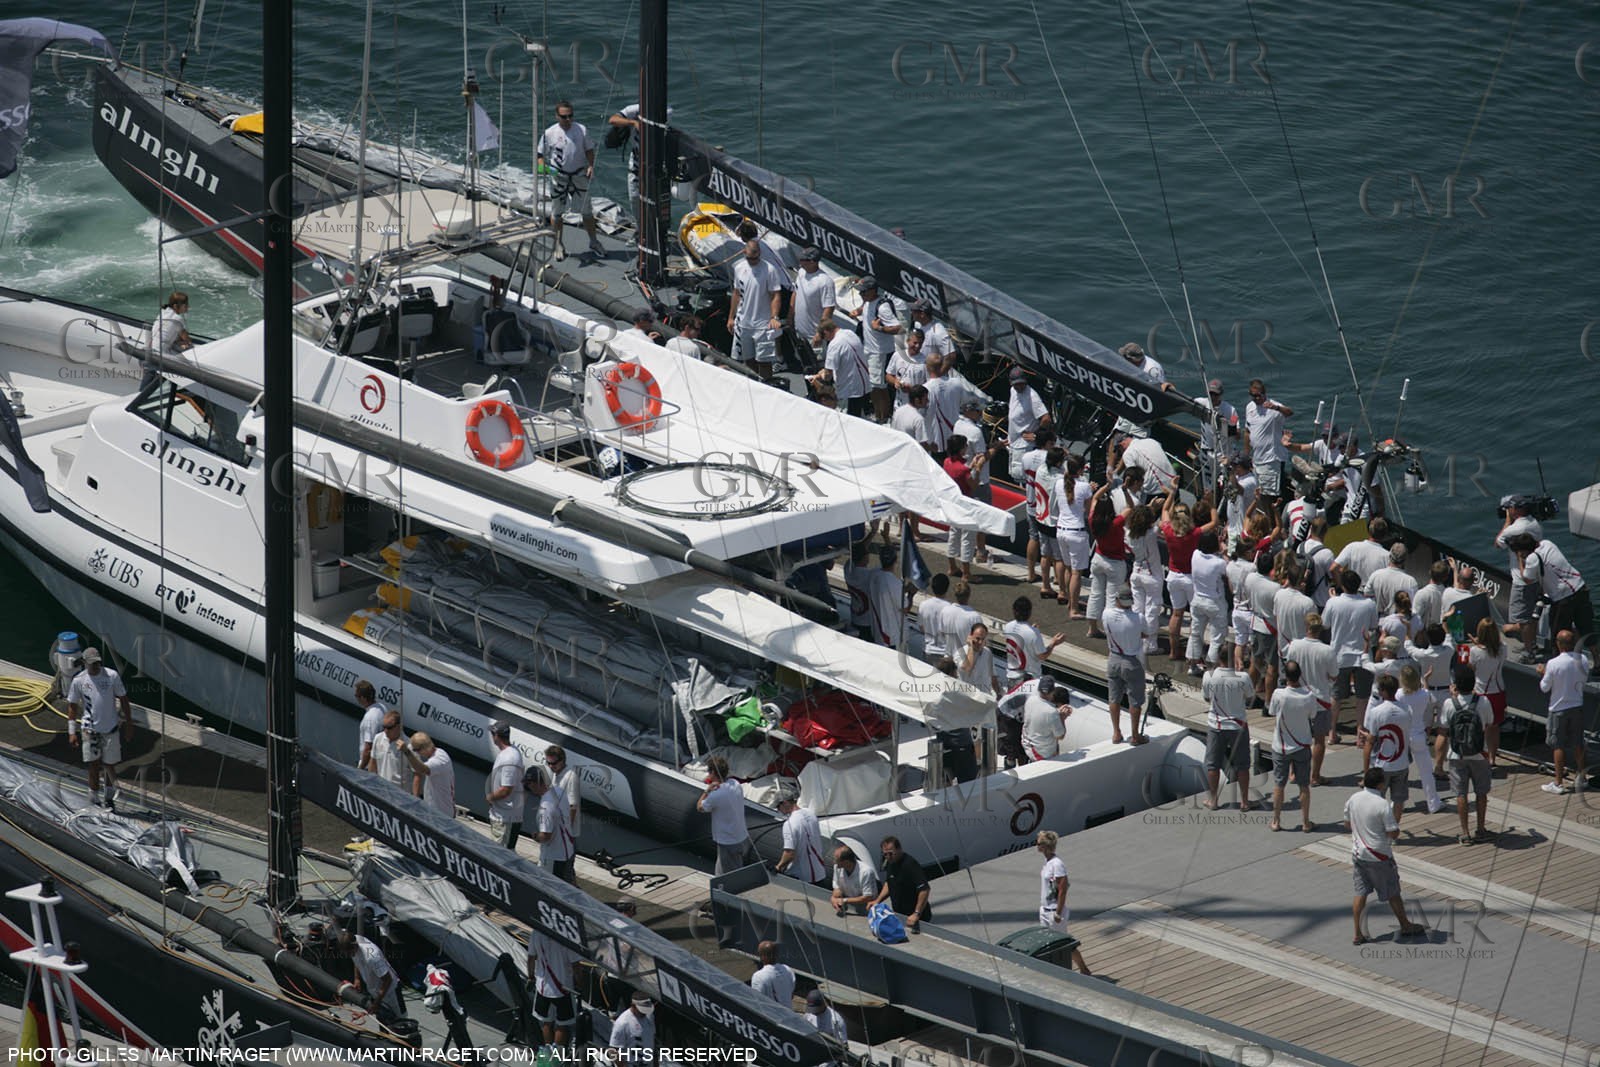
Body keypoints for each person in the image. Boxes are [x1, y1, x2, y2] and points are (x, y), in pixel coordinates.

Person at [1343, 767, 1427, 945]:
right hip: (1379, 856)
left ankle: (1357, 934)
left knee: (1360, 893)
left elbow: (1346, 823)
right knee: (1393, 892)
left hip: (1358, 855)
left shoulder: (1353, 798)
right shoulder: (1382, 804)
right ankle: (1405, 925)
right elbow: (1393, 833)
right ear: (1381, 784)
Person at [65, 648, 131, 810]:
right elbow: (72, 707)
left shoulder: (112, 676)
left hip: (111, 729)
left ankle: (109, 798)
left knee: (110, 764)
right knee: (93, 765)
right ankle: (93, 798)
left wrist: (129, 724)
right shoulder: (79, 681)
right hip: (90, 729)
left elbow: (123, 699)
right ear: (85, 663)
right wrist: (72, 732)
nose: (96, 666)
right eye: (92, 663)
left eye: (98, 662)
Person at [536, 102, 601, 260]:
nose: (568, 119)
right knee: (557, 213)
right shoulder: (549, 133)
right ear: (557, 116)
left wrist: (591, 166)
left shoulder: (581, 130)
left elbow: (589, 150)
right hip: (559, 177)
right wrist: (544, 168)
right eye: (564, 116)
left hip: (579, 175)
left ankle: (593, 241)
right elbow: (540, 156)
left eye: (570, 116)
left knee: (587, 211)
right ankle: (558, 243)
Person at [1324, 570, 1378, 742]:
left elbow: (1325, 624)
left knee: (1336, 696)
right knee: (1363, 697)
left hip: (1339, 655)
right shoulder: (1369, 604)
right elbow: (1373, 625)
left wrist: (1332, 599)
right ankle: (1360, 732)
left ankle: (1332, 732)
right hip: (1362, 654)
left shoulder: (1334, 603)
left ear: (1343, 585)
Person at [1442, 665, 1494, 845]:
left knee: (1461, 794)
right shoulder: (1484, 702)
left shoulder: (1449, 703)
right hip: (1480, 754)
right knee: (1481, 793)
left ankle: (1465, 832)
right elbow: (1489, 724)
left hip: (1457, 755)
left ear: (1456, 684)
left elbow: (1445, 726)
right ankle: (1481, 828)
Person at [1285, 614, 1338, 785]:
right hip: (1320, 700)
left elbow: (1290, 668)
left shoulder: (1294, 645)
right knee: (1319, 740)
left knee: (1298, 737)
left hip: (1298, 697)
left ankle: (1293, 774)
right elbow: (1334, 675)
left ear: (1306, 627)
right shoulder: (1327, 650)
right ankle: (1314, 776)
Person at [1538, 629, 1593, 794]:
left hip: (1558, 708)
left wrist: (1543, 673)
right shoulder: (1583, 659)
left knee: (1558, 745)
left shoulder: (1553, 663)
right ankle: (1582, 778)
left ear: (1559, 643)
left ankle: (1558, 783)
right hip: (1576, 705)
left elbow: (1544, 687)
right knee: (1578, 743)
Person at [1201, 646, 1254, 811]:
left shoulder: (1209, 676)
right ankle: (1245, 802)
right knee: (1243, 765)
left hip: (1216, 725)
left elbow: (1206, 697)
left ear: (1219, 659)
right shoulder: (1243, 677)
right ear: (1234, 659)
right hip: (1238, 726)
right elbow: (1250, 696)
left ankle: (1213, 800)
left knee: (1213, 765)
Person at [1269, 660, 1319, 832]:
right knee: (1304, 786)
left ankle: (1276, 821)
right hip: (1302, 746)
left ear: (1285, 676)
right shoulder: (1309, 696)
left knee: (1279, 785)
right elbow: (1312, 715)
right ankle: (1306, 822)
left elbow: (1271, 711)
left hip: (1281, 747)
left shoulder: (1278, 694)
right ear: (1300, 675)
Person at [1519, 536, 1594, 650]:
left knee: (1558, 634)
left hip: (1563, 599)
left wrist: (1520, 559)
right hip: (1580, 588)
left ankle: (1561, 660)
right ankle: (1597, 661)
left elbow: (1527, 579)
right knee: (1586, 629)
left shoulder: (1532, 558)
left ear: (1524, 550)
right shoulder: (1548, 543)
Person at [1034, 831, 1092, 975]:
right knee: (1046, 943)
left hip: (1054, 912)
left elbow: (1062, 889)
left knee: (1063, 943)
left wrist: (1058, 913)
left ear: (1046, 846)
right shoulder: (1047, 863)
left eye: (1039, 843)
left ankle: (1083, 969)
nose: (1037, 845)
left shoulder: (1057, 864)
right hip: (1045, 910)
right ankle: (1054, 970)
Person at [1359, 674, 1412, 826]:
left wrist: (1365, 771)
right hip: (1402, 763)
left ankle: (1378, 829)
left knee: (1376, 801)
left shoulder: (1376, 713)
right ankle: (1393, 830)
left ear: (1382, 691)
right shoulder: (1407, 709)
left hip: (1381, 765)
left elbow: (1369, 743)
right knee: (1399, 800)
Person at [726, 243, 784, 381]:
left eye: (755, 258)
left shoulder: (769, 270)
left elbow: (776, 295)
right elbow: (736, 293)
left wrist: (774, 317)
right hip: (743, 323)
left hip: (762, 325)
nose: (753, 261)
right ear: (744, 253)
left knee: (764, 361)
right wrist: (731, 317)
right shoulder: (739, 268)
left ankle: (766, 386)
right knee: (748, 360)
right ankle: (753, 384)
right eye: (749, 258)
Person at [1495, 498, 1545, 655]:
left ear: (1515, 510)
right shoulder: (1534, 523)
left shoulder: (1513, 529)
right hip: (1537, 576)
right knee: (1532, 615)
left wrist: (1508, 521)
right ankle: (1533, 644)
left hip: (1522, 581)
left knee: (1523, 620)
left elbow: (1498, 543)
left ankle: (1529, 651)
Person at [1103, 585, 1150, 745]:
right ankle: (1135, 736)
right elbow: (1145, 633)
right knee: (1135, 700)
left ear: (1117, 599)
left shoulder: (1106, 614)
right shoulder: (1139, 618)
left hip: (1113, 659)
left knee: (1114, 698)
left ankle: (1116, 733)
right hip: (1132, 661)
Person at [1084, 483, 1130, 638]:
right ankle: (1111, 631)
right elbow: (1130, 507)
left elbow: (1095, 497)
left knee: (1095, 594)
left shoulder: (1092, 520)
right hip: (1115, 563)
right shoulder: (1116, 523)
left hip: (1098, 559)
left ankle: (1092, 628)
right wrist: (1124, 491)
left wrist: (1107, 485)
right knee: (1111, 598)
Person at [1396, 663, 1442, 814]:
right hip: (1419, 735)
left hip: (1403, 736)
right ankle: (1433, 803)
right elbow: (1430, 696)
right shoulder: (1424, 694)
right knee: (1426, 772)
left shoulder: (1399, 695)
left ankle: (1398, 803)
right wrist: (1425, 680)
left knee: (1400, 772)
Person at [857, 276, 903, 422]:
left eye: (863, 292)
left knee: (879, 387)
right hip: (869, 350)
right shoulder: (868, 302)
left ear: (872, 291)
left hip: (879, 353)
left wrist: (880, 328)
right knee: (873, 386)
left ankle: (883, 417)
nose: (861, 295)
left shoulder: (882, 307)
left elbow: (898, 328)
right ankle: (878, 414)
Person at [1052, 455, 1094, 615]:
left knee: (1070, 569)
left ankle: (1072, 601)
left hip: (1061, 530)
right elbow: (1088, 509)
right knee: (1077, 572)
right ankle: (1074, 608)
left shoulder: (1058, 484)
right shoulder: (1084, 487)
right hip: (1076, 532)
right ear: (1081, 469)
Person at [699, 756, 755, 874]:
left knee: (726, 876)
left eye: (709, 771)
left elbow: (699, 807)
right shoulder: (736, 784)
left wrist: (707, 791)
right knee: (728, 870)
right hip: (742, 837)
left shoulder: (716, 795)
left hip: (728, 841)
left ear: (713, 772)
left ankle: (725, 892)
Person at [1186, 528, 1231, 676]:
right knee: (1216, 637)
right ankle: (1211, 669)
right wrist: (1224, 551)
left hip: (1198, 600)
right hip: (1215, 603)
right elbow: (1230, 569)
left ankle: (1192, 666)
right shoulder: (1219, 563)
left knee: (1196, 634)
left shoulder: (1194, 554)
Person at [528, 928, 580, 1048]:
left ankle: (548, 1051)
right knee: (562, 1025)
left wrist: (531, 976)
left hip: (542, 988)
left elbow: (531, 957)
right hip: (563, 989)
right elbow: (576, 965)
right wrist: (579, 983)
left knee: (546, 1022)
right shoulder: (567, 935)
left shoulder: (536, 932)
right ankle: (556, 1056)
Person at [1126, 502, 1166, 656]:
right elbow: (1162, 522)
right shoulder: (1152, 533)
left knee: (1137, 609)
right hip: (1151, 576)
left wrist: (1147, 508)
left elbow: (1141, 519)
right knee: (1151, 611)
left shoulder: (1129, 533)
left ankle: (1136, 639)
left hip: (1136, 573)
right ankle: (1150, 645)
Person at [1242, 379, 1293, 501]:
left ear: (1265, 394)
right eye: (1252, 395)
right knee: (1260, 494)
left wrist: (1276, 408)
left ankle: (1273, 519)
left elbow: (1289, 412)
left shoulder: (1274, 408)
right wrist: (1246, 454)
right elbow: (1247, 432)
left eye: (1258, 395)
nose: (1256, 398)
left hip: (1272, 460)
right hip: (1257, 459)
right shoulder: (1250, 407)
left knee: (1271, 498)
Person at [526, 765, 577, 884]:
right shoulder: (559, 791)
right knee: (567, 884)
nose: (529, 787)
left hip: (553, 857)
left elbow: (545, 836)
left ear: (535, 784)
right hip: (568, 850)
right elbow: (573, 807)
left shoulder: (545, 807)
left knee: (548, 887)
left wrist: (535, 836)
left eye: (529, 784)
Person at [1468, 618, 1508, 766]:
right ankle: (1492, 758)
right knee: (1494, 727)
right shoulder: (1503, 648)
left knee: (1479, 728)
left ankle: (1480, 756)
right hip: (1498, 692)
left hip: (1480, 693)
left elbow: (1472, 668)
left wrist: (1476, 644)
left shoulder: (1475, 651)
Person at [340, 927, 403, 1019]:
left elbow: (387, 980)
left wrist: (376, 1003)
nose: (349, 956)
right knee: (382, 1019)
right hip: (375, 989)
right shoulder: (354, 940)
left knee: (399, 1020)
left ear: (355, 946)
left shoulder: (372, 956)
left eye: (349, 953)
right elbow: (356, 960)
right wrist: (357, 979)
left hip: (390, 992)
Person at [942, 436, 981, 581]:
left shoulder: (947, 462)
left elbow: (959, 470)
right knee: (967, 538)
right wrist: (977, 470)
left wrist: (969, 466)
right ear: (960, 448)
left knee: (953, 533)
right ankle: (966, 573)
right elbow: (974, 485)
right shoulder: (963, 470)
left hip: (952, 503)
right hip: (965, 505)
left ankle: (952, 567)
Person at [874, 836, 932, 933]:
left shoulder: (910, 864)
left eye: (891, 853)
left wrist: (916, 913)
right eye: (885, 854)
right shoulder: (890, 862)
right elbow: (889, 882)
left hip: (917, 919)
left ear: (899, 849)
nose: (888, 857)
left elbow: (924, 889)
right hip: (900, 916)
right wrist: (877, 901)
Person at [1004, 596, 1066, 686]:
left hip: (1011, 675)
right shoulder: (1033, 633)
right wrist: (1053, 643)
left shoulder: (1008, 626)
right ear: (1029, 612)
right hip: (1028, 679)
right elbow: (1042, 656)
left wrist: (1032, 630)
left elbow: (1021, 638)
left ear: (1014, 610)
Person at [812, 318, 867, 417]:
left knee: (848, 419)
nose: (826, 340)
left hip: (849, 390)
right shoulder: (850, 333)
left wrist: (820, 375)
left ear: (826, 332)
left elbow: (828, 375)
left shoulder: (834, 344)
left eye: (824, 337)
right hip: (862, 384)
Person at [1006, 367, 1050, 484]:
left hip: (1024, 445)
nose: (1019, 387)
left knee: (1022, 478)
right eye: (1016, 384)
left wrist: (1037, 435)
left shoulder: (1032, 397)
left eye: (1021, 384)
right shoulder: (1013, 391)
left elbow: (1046, 418)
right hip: (1013, 442)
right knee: (1014, 475)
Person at [486, 721, 526, 850]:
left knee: (499, 854)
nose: (492, 736)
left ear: (497, 736)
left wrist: (490, 797)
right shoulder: (510, 753)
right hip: (502, 815)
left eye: (492, 733)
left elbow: (506, 790)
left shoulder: (509, 758)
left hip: (505, 819)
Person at [1194, 378, 1239, 488]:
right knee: (1208, 487)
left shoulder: (1231, 410)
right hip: (1206, 452)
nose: (1213, 397)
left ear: (1221, 394)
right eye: (1211, 394)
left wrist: (1225, 426)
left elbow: (1237, 434)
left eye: (1216, 394)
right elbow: (1184, 402)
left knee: (1223, 485)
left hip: (1223, 454)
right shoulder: (1201, 403)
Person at [790, 246, 836, 354]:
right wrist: (790, 317)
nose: (800, 262)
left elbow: (828, 308)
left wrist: (820, 333)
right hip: (799, 333)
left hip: (814, 335)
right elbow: (795, 293)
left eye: (803, 260)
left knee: (818, 367)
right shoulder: (801, 272)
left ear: (813, 262)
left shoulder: (825, 281)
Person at [774, 796, 828, 885]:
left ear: (785, 803)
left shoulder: (789, 824)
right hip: (820, 872)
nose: (778, 810)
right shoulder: (810, 813)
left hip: (803, 877)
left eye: (778, 807)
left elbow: (789, 854)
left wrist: (778, 867)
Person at [403, 732, 456, 819]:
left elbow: (422, 769)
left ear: (424, 749)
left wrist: (408, 753)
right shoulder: (439, 752)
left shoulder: (439, 760)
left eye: (416, 750)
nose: (417, 753)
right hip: (435, 811)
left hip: (442, 814)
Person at [147, 290, 192, 390]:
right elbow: (187, 340)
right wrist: (184, 342)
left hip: (150, 351)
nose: (187, 307)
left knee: (148, 382)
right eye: (185, 305)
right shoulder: (178, 319)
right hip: (160, 355)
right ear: (176, 306)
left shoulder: (163, 313)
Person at [1020, 678, 1073, 762]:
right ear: (1052, 692)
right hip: (1040, 752)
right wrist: (1062, 718)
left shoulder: (1031, 699)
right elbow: (1060, 736)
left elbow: (1041, 715)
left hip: (1028, 743)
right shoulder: (1052, 712)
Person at [1331, 517, 1391, 589]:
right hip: (1373, 597)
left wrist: (1341, 587)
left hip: (1353, 595)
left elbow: (1333, 568)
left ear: (1369, 531)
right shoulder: (1387, 556)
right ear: (1385, 535)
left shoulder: (1352, 546)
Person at [545, 745, 582, 857]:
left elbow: (573, 807)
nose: (551, 766)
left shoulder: (570, 777)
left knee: (566, 867)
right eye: (548, 763)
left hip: (566, 834)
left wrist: (565, 832)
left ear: (562, 761)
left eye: (554, 763)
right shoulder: (556, 775)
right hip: (556, 830)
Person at [1366, 544, 1418, 615]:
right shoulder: (1410, 581)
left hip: (1378, 620)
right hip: (1400, 622)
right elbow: (1412, 605)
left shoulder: (1376, 575)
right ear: (1405, 559)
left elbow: (1367, 594)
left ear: (1389, 556)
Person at [830, 845, 881, 916]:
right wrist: (835, 893)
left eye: (836, 860)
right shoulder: (837, 867)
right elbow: (836, 883)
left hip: (866, 909)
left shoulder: (866, 872)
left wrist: (844, 900)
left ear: (846, 862)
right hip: (849, 907)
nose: (834, 862)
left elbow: (867, 897)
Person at [886, 330, 930, 411]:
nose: (917, 346)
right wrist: (895, 382)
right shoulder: (898, 355)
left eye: (920, 344)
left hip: (917, 408)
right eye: (915, 343)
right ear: (908, 341)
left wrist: (912, 390)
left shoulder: (925, 361)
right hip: (898, 405)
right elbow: (888, 376)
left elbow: (929, 386)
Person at [957, 621, 1001, 698]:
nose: (980, 642)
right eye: (977, 638)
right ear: (970, 636)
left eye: (983, 639)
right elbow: (968, 668)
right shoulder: (961, 652)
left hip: (984, 697)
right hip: (967, 697)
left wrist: (998, 693)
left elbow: (993, 676)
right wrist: (971, 646)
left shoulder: (987, 653)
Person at [370, 710, 412, 791]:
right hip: (380, 789)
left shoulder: (409, 746)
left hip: (399, 794)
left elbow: (417, 774)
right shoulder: (378, 738)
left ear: (399, 726)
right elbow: (373, 762)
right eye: (384, 727)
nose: (386, 731)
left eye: (389, 728)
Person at [917, 573, 954, 664]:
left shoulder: (923, 605)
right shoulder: (950, 608)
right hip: (944, 653)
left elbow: (921, 628)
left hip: (928, 650)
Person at [608, 992, 656, 1059]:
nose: (644, 1013)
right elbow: (612, 1051)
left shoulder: (649, 1016)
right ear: (633, 1006)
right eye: (642, 1010)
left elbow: (652, 1040)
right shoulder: (622, 1023)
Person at [748, 940, 796, 1006]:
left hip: (770, 1016)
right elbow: (791, 996)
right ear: (776, 955)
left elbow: (757, 1003)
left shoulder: (758, 976)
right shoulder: (788, 970)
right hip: (788, 1014)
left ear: (761, 956)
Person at [354, 679, 387, 771]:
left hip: (369, 767)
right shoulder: (381, 707)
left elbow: (368, 748)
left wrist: (360, 769)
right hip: (380, 763)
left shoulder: (370, 718)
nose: (356, 698)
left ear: (363, 698)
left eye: (356, 696)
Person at [1412, 561, 1451, 632]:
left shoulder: (1421, 593)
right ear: (1445, 578)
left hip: (1425, 637)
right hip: (1441, 635)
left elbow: (1415, 619)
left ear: (1430, 572)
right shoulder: (1447, 594)